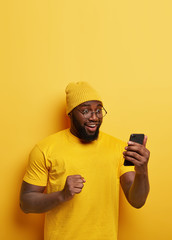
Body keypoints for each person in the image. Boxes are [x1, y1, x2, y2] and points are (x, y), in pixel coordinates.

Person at [20, 82, 150, 240]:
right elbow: (26, 203)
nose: (94, 117)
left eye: (99, 110)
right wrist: (62, 195)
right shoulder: (44, 149)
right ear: (70, 113)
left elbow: (137, 201)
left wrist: (142, 170)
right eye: (86, 111)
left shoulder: (119, 148)